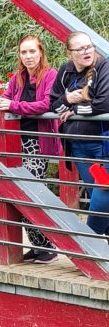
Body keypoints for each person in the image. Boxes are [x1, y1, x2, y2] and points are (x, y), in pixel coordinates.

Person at [0, 35, 61, 261]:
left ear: (40, 52)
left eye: (32, 52)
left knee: (29, 193)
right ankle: (40, 245)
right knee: (18, 193)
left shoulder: (50, 75)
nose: (28, 56)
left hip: (37, 142)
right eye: (24, 52)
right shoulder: (18, 77)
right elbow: (5, 97)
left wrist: (13, 105)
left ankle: (47, 245)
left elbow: (46, 104)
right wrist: (3, 103)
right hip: (17, 142)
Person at [50, 31, 109, 247]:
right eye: (80, 48)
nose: (86, 51)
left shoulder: (103, 66)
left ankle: (88, 241)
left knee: (104, 190)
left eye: (89, 46)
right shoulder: (66, 71)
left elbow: (104, 104)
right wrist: (67, 98)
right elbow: (53, 103)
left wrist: (74, 109)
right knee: (97, 193)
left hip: (101, 142)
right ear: (70, 52)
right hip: (77, 143)